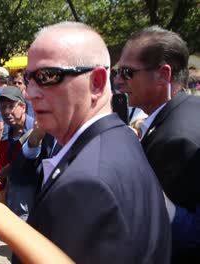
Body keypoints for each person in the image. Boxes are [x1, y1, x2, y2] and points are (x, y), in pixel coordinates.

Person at [21, 22, 170, 263]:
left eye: (47, 76)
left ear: (97, 82)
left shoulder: (88, 182)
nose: (30, 93)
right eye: (29, 78)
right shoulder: (119, 136)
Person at [115, 26, 200, 262]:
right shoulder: (188, 110)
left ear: (163, 74)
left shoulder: (176, 140)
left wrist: (144, 189)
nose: (118, 81)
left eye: (127, 72)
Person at [0, 86, 34, 217]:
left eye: (10, 106)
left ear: (23, 107)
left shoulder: (38, 131)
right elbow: (13, 165)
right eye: (2, 107)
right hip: (15, 199)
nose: (6, 112)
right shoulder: (11, 133)